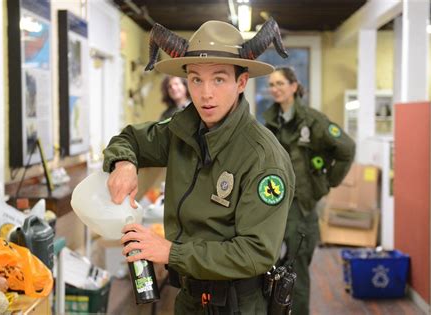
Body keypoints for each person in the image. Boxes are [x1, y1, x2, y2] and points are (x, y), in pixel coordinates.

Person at [103, 19, 296, 314]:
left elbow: (255, 252)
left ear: (240, 82)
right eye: (195, 79)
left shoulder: (263, 157)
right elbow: (131, 138)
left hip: (237, 304)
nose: (205, 93)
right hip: (190, 297)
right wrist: (124, 163)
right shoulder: (182, 130)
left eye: (218, 79)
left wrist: (170, 252)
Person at [263, 66, 355, 314]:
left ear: (294, 86)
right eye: (271, 84)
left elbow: (346, 148)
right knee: (270, 273)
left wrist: (328, 183)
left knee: (296, 276)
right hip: (273, 208)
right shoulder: (270, 122)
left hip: (301, 210)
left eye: (280, 83)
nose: (275, 89)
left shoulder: (313, 121)